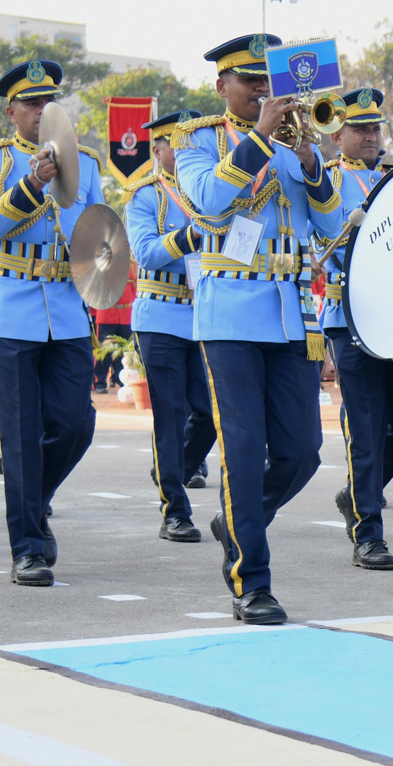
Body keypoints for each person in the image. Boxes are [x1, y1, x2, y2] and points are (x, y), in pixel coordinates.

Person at [172, 33, 342, 624]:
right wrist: (260, 136)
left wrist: (316, 164)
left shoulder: (301, 144)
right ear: (223, 86)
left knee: (302, 454)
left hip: (293, 314)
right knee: (243, 450)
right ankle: (252, 579)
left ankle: (235, 520)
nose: (264, 91)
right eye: (251, 81)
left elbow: (333, 224)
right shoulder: (197, 141)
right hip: (230, 315)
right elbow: (209, 205)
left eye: (271, 82)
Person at [0, 59, 103, 586]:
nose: (42, 111)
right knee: (20, 435)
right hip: (12, 308)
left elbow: (97, 230)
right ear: (12, 112)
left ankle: (32, 492)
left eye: (50, 102)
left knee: (76, 424)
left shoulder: (85, 162)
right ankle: (27, 547)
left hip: (67, 307)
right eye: (32, 104)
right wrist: (30, 183)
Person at [320, 88, 393, 570]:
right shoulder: (323, 181)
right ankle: (369, 531)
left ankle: (359, 493)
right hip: (349, 318)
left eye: (375, 128)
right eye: (359, 129)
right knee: (364, 429)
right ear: (338, 133)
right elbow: (318, 239)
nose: (370, 136)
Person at [125, 109, 218, 543]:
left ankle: (172, 468)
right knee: (170, 413)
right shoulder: (144, 195)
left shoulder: (213, 190)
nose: (177, 154)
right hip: (160, 314)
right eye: (170, 146)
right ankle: (174, 510)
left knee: (210, 412)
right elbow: (144, 253)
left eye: (186, 147)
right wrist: (190, 236)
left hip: (205, 316)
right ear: (157, 149)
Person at [92, 261, 134, 393]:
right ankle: (100, 381)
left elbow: (136, 287)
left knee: (126, 351)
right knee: (104, 351)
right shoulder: (101, 265)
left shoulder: (132, 265)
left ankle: (123, 380)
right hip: (107, 313)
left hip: (126, 314)